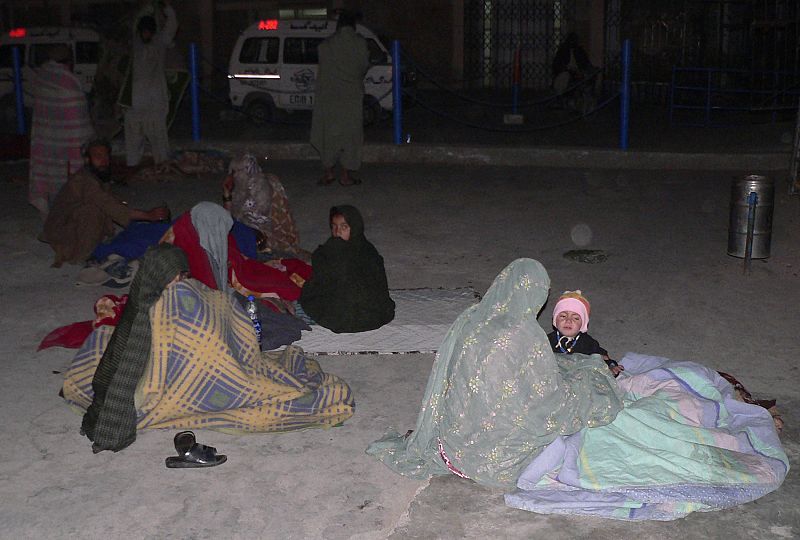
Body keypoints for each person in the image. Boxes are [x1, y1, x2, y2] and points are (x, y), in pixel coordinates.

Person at [64, 244, 353, 453]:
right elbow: (192, 349)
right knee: (268, 390)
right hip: (158, 384)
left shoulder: (158, 295)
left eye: (182, 276)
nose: (181, 283)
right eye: (176, 278)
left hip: (168, 370)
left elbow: (217, 317)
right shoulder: (164, 305)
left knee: (102, 338)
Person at [366, 258, 622, 487]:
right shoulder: (528, 335)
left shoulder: (473, 318)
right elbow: (546, 397)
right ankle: (546, 455)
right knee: (581, 391)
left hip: (455, 442)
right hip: (497, 452)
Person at [41, 139, 170, 267]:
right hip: (62, 232)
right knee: (94, 210)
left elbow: (114, 201)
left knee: (117, 213)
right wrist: (147, 215)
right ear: (87, 160)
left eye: (106, 156)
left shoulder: (96, 177)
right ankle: (82, 254)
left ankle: (98, 244)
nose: (104, 161)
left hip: (72, 225)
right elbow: (110, 206)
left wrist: (144, 213)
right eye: (98, 156)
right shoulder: (82, 180)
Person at [300, 205, 395, 333]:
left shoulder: (367, 252)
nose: (338, 231)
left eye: (344, 227)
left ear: (354, 227)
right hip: (341, 301)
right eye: (334, 226)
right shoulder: (329, 248)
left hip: (365, 306)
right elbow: (321, 278)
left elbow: (374, 287)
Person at [28, 44, 95, 220]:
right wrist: (88, 139)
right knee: (68, 176)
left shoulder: (42, 77)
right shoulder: (69, 82)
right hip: (67, 142)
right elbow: (78, 117)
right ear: (68, 61)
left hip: (46, 139)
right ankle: (64, 214)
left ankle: (48, 211)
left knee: (47, 172)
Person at [310, 11, 370, 186]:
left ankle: (328, 173)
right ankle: (345, 175)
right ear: (353, 26)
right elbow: (363, 67)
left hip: (329, 98)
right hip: (351, 98)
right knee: (350, 136)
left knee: (328, 134)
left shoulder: (325, 45)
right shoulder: (360, 44)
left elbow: (322, 68)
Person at [222, 154, 308, 259]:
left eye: (235, 172)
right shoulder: (240, 187)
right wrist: (227, 194)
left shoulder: (261, 189)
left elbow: (254, 222)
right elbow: (228, 216)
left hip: (268, 233)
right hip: (250, 229)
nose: (232, 176)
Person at [124, 1, 177, 168]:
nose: (145, 35)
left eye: (148, 32)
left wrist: (167, 8)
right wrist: (147, 8)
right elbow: (136, 22)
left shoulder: (160, 41)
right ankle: (132, 166)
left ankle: (162, 166)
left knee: (158, 137)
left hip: (155, 101)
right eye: (143, 32)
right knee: (133, 137)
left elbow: (172, 25)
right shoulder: (135, 42)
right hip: (135, 102)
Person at [547, 290, 623, 376]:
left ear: (583, 324)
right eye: (563, 316)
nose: (568, 321)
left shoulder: (587, 342)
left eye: (575, 318)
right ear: (555, 320)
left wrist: (611, 366)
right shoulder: (546, 340)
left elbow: (601, 357)